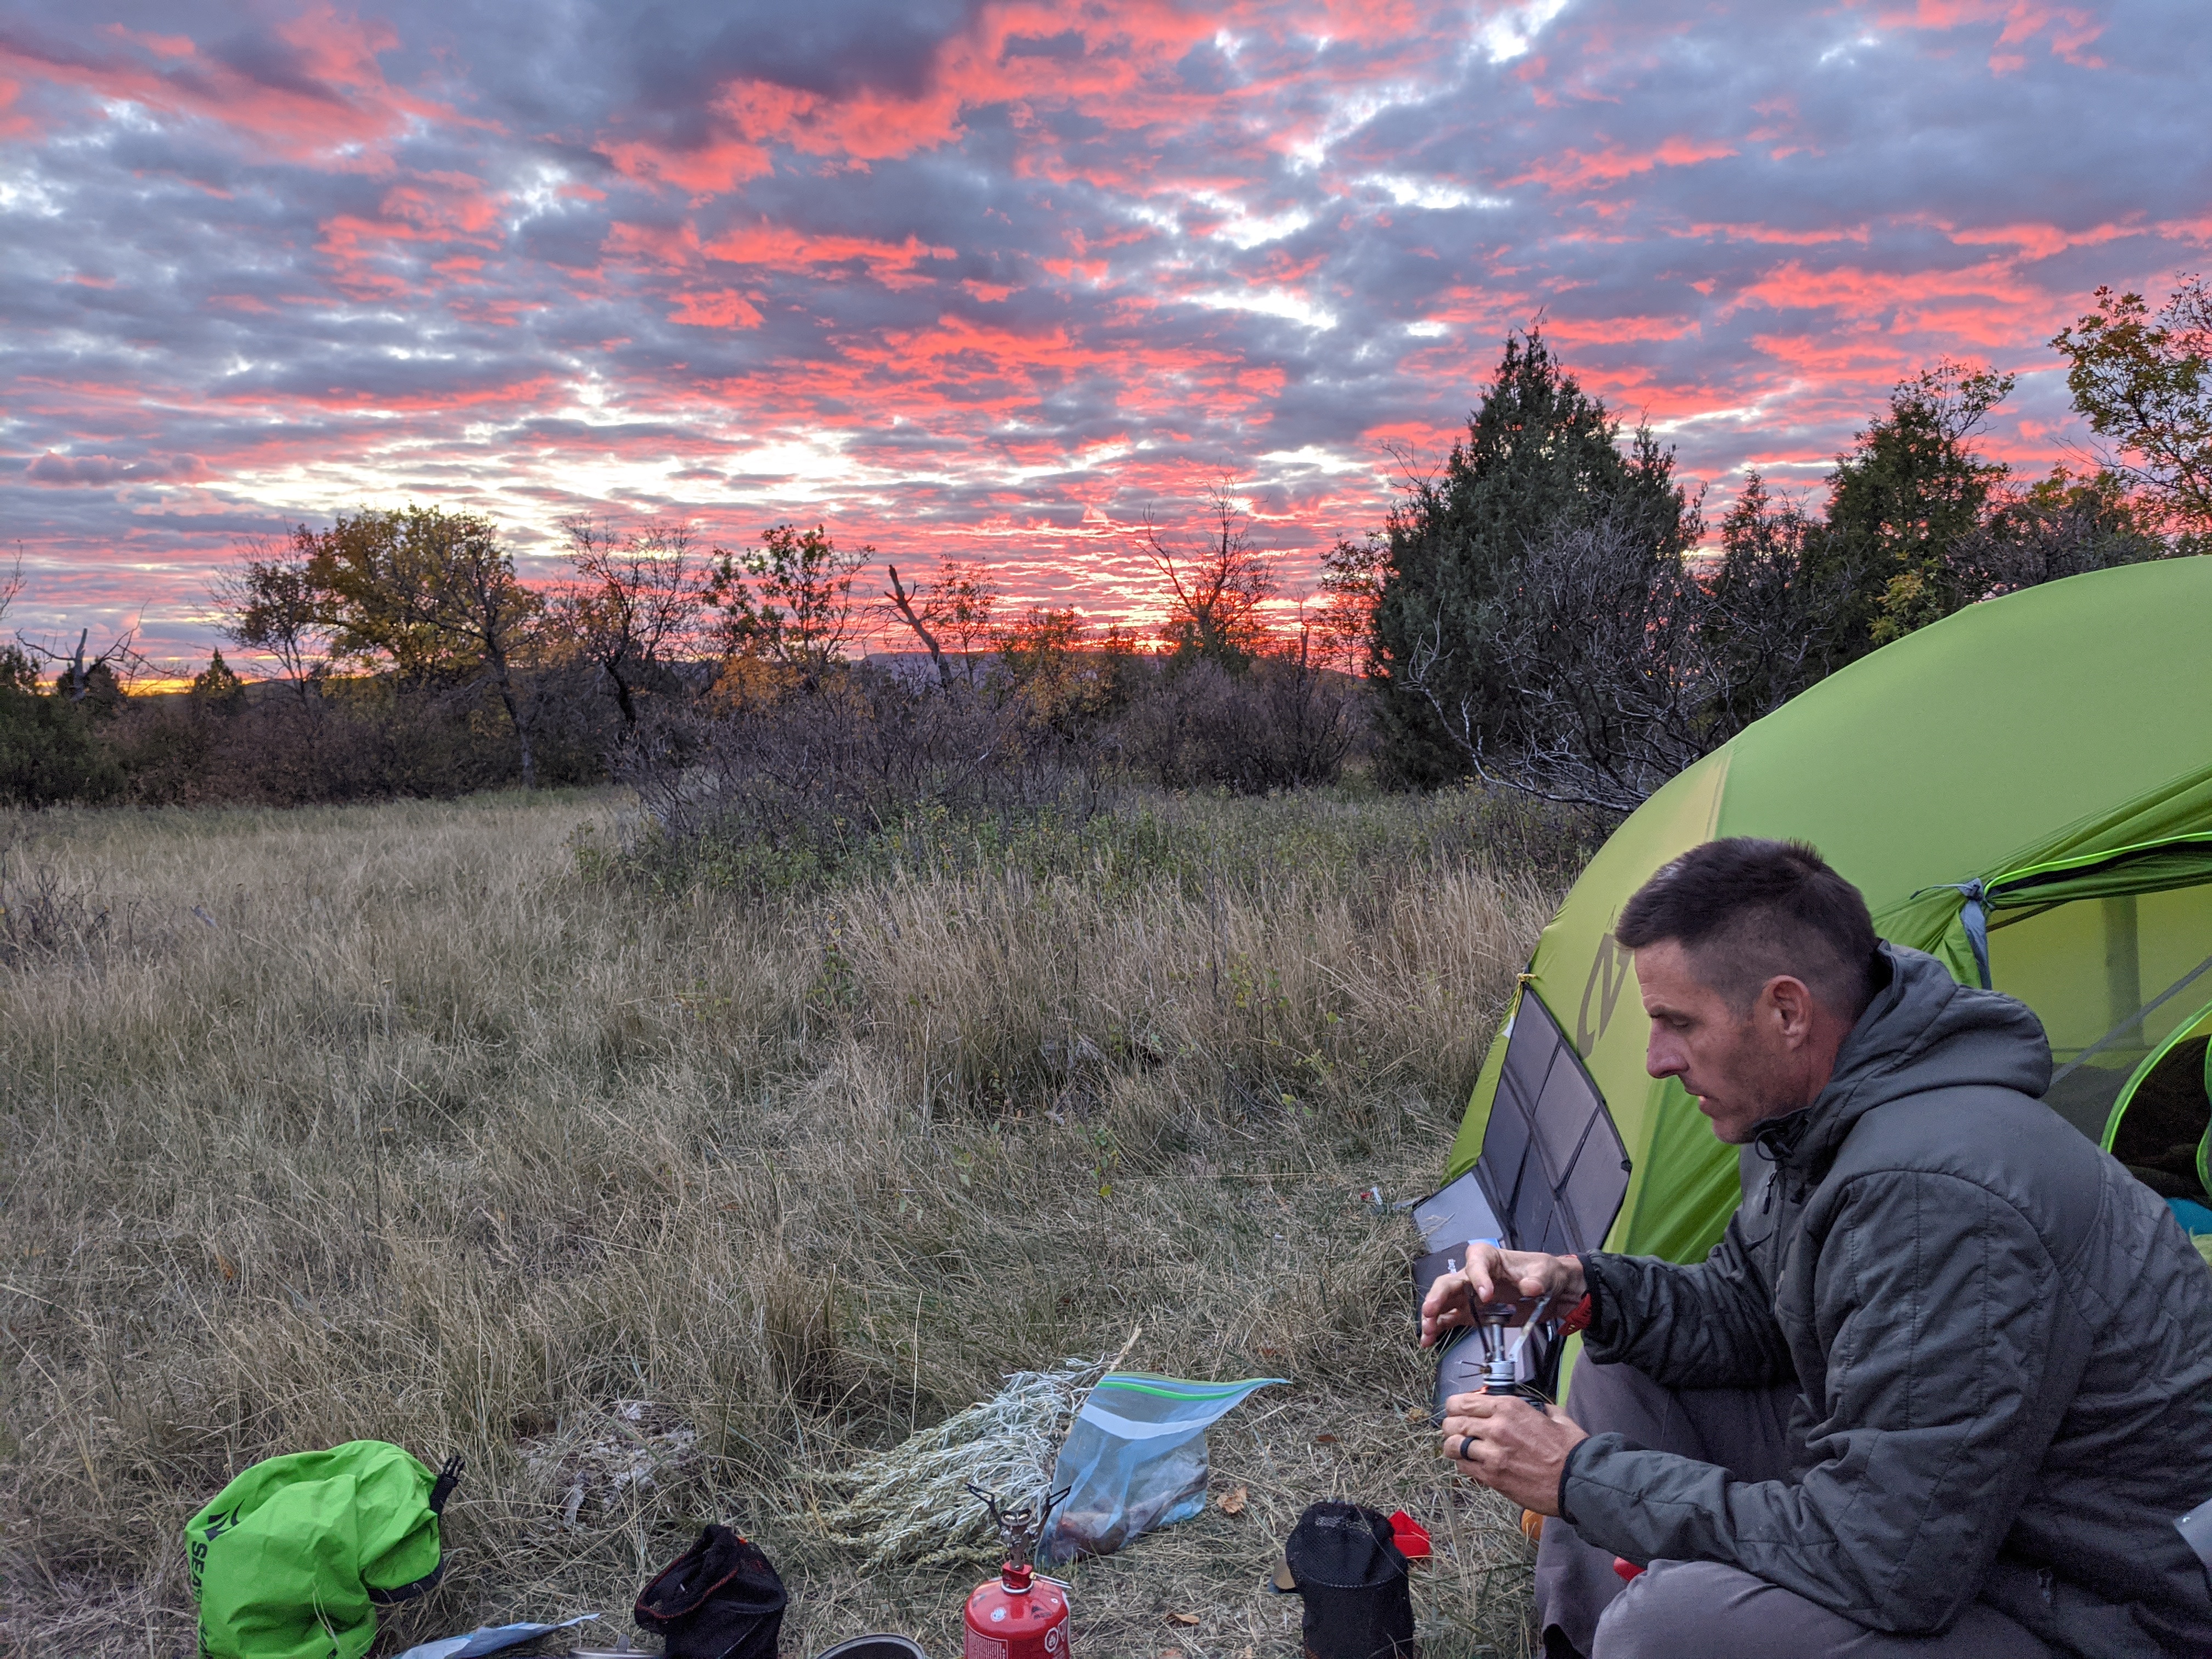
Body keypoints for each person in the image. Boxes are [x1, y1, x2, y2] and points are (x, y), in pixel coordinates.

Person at [1419, 838, 2212, 1659]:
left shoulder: (1937, 1195)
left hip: (2107, 1605)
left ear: (1788, 1012)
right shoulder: (1814, 1114)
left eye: (1678, 1024)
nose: (1657, 1061)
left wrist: (1586, 1478)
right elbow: (1751, 1310)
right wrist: (1581, 1288)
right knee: (1630, 1362)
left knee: (1675, 1630)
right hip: (1979, 1518)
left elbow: (1893, 1562)